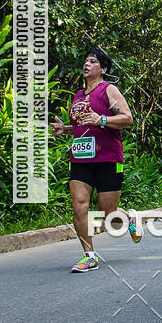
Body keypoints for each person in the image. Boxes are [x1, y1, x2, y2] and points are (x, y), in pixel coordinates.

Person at [50, 48, 133, 272]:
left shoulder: (108, 90)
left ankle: (129, 219)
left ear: (103, 69)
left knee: (108, 214)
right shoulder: (78, 95)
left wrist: (102, 119)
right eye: (85, 61)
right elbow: (83, 125)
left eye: (93, 61)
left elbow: (127, 118)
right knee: (79, 205)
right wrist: (65, 129)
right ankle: (89, 256)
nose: (87, 64)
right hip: (81, 158)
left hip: (108, 158)